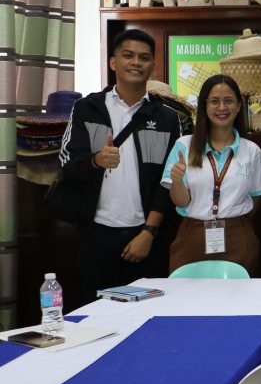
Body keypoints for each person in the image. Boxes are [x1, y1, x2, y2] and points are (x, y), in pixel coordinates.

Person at [57, 28, 181, 295]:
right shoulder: (87, 108)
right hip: (95, 235)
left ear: (151, 66)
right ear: (114, 62)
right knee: (95, 314)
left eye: (144, 57)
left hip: (146, 237)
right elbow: (68, 161)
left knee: (148, 318)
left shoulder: (166, 119)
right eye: (128, 55)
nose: (136, 62)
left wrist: (149, 232)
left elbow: (168, 182)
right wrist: (96, 160)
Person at [162, 74, 261, 275]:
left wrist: (233, 217)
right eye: (214, 101)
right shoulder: (184, 145)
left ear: (238, 106)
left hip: (238, 236)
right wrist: (177, 181)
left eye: (228, 101)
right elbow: (181, 202)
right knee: (188, 301)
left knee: (239, 302)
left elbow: (257, 200)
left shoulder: (251, 150)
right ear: (204, 106)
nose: (222, 107)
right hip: (192, 235)